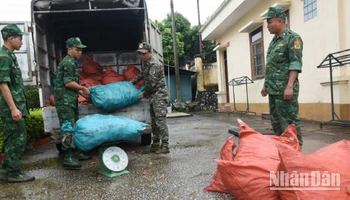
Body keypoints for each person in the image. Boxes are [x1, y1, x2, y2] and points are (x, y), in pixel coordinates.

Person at [261, 6, 303, 146]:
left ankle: (296, 154)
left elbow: (295, 63)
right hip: (273, 90)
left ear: (280, 21)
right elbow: (271, 65)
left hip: (285, 90)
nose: (267, 26)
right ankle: (283, 152)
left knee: (289, 123)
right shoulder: (274, 42)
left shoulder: (293, 38)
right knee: (276, 123)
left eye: (269, 22)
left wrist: (290, 86)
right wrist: (265, 85)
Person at [0, 24, 35, 183]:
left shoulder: (10, 55)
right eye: (20, 39)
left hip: (15, 106)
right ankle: (13, 173)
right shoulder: (4, 57)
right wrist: (13, 108)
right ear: (10, 38)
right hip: (11, 108)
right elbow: (3, 84)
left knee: (12, 138)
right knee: (18, 139)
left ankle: (6, 169)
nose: (22, 42)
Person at [54, 37, 91, 169]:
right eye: (77, 49)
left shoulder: (72, 62)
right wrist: (82, 88)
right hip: (65, 101)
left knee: (74, 126)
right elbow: (68, 83)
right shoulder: (68, 62)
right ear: (69, 49)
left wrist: (82, 93)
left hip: (70, 99)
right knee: (68, 127)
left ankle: (76, 151)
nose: (80, 52)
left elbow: (72, 84)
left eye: (81, 49)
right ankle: (68, 156)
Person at [132, 42, 170, 154]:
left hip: (159, 95)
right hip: (153, 96)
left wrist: (143, 94)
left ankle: (165, 145)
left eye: (143, 54)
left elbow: (151, 83)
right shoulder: (147, 64)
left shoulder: (154, 65)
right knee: (154, 121)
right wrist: (130, 83)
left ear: (150, 52)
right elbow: (141, 75)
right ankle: (156, 143)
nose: (141, 56)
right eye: (140, 54)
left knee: (160, 121)